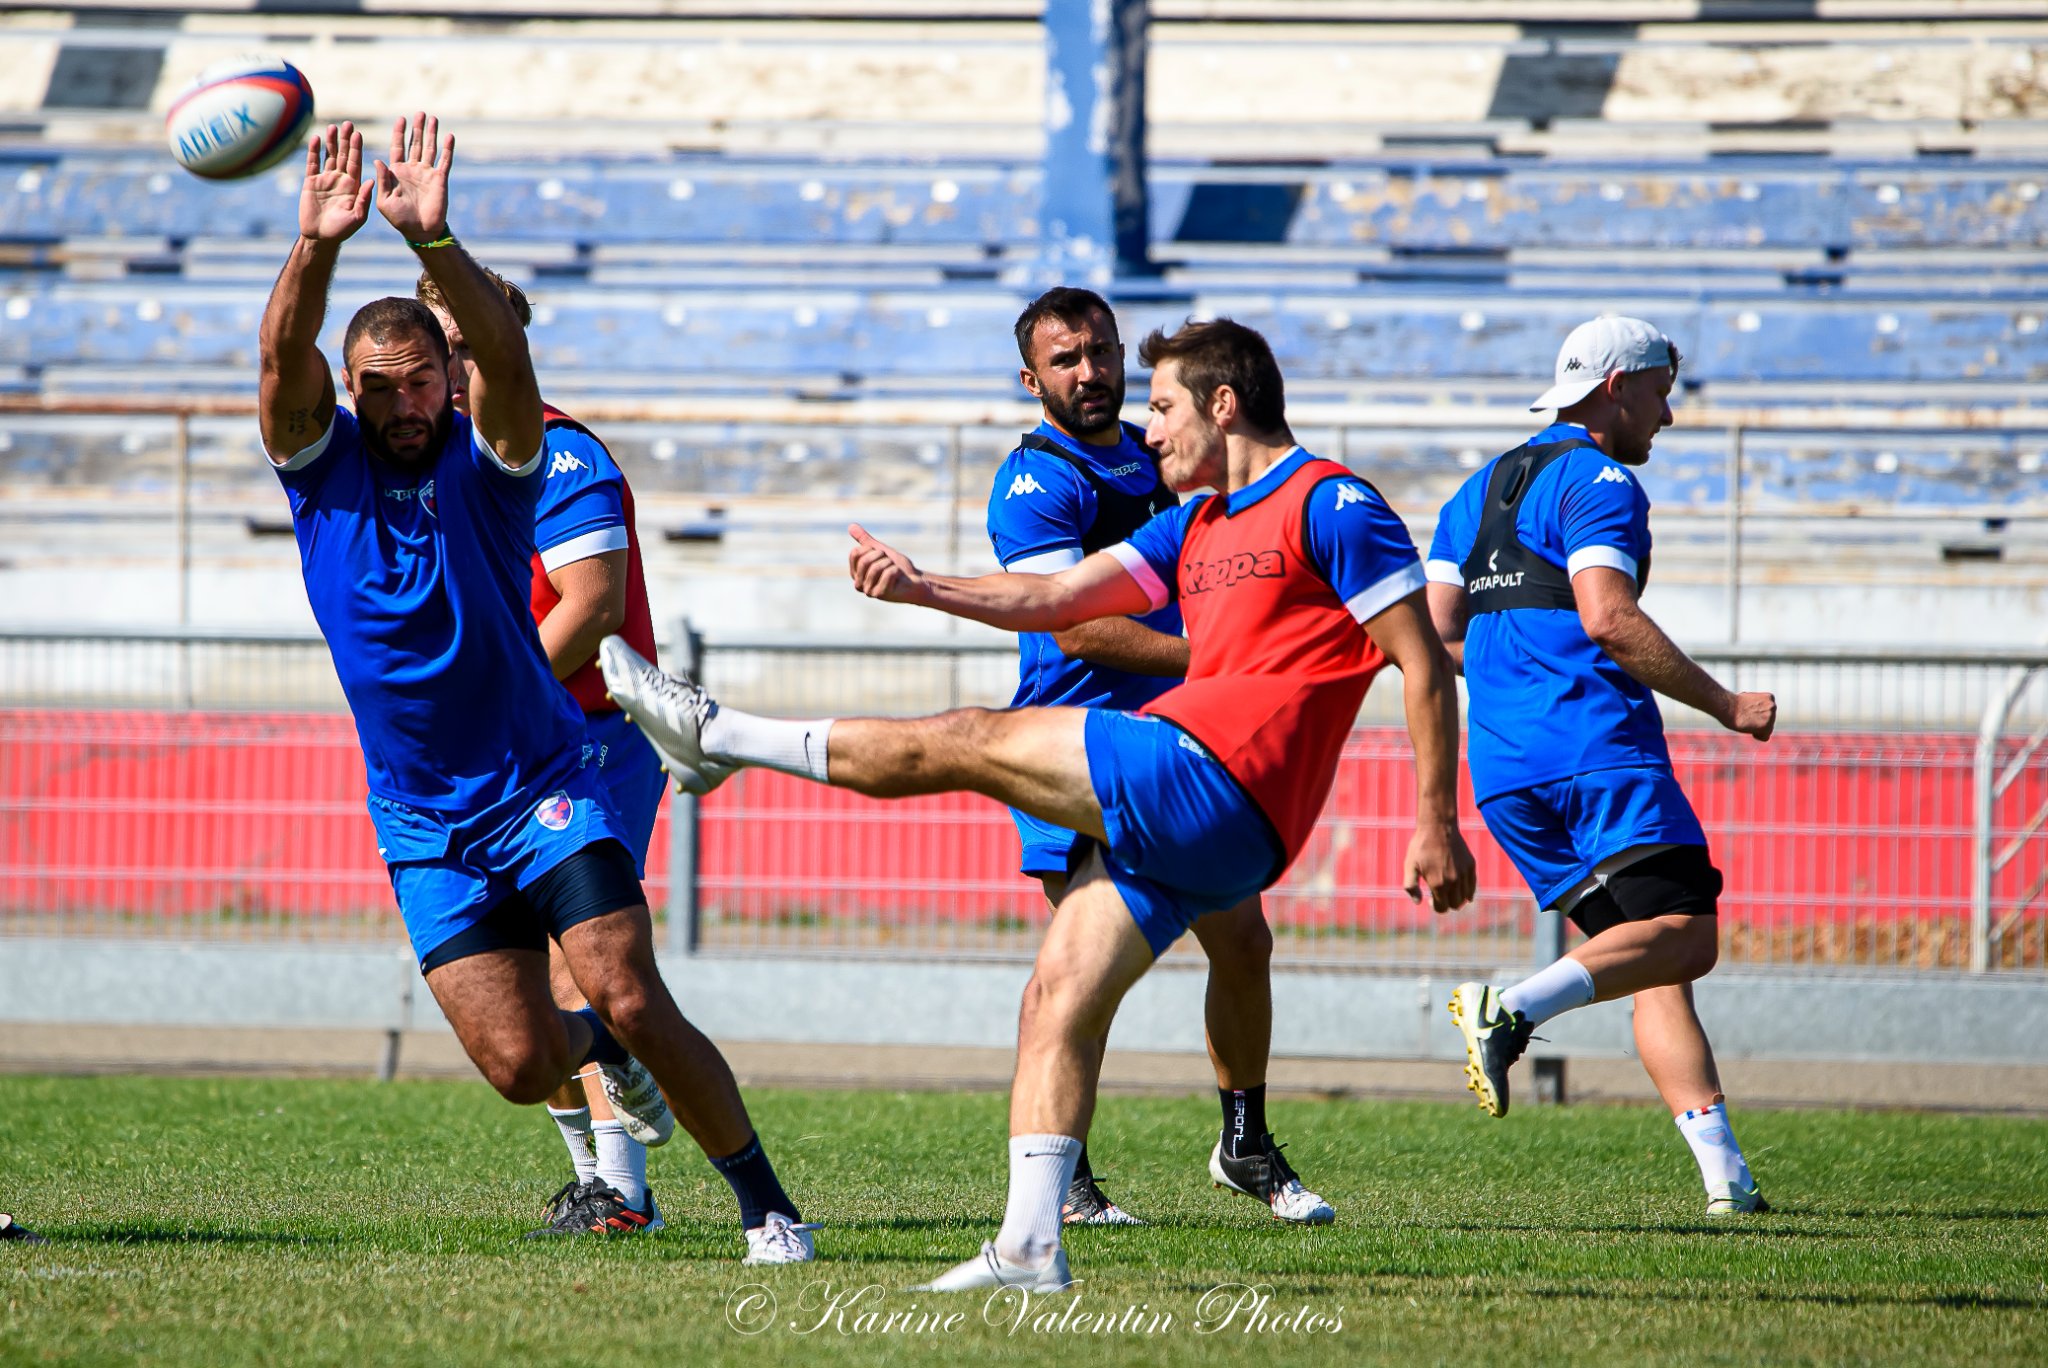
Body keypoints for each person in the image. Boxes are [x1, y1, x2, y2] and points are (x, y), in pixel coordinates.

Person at [602, 318, 1476, 1291]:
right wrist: (922, 588)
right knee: (1056, 995)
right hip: (1214, 824)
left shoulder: (1333, 503)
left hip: (1210, 770)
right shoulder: (1196, 524)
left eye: (1163, 406)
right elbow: (1055, 598)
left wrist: (1434, 821)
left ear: (1223, 406)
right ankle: (1028, 1247)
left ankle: (718, 736)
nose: (1149, 429)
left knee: (970, 737)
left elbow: (1421, 665)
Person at [259, 115, 811, 1263]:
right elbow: (279, 357)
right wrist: (315, 246)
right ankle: (602, 1059)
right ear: (349, 390)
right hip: (420, 819)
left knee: (628, 992)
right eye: (380, 388)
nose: (405, 406)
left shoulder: (497, 463)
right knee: (518, 1065)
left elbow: (509, 365)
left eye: (423, 382)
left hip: (537, 786)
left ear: (447, 383)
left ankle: (766, 1208)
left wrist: (434, 236)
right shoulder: (319, 473)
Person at [417, 265, 784, 1239]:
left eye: (470, 344)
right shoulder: (433, 461)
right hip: (491, 748)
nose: (453, 365)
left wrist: (482, 704)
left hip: (585, 736)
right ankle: (597, 1182)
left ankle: (628, 1193)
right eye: (442, 345)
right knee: (517, 983)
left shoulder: (561, 452)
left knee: (583, 971)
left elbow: (591, 608)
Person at [987, 287, 1332, 1227]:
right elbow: (1075, 626)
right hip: (1073, 744)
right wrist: (1227, 657)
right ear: (1031, 380)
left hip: (1181, 741)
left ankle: (1244, 1142)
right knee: (1078, 976)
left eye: (1101, 351)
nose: (1091, 372)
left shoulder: (1162, 455)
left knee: (1243, 942)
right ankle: (1065, 1182)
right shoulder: (1035, 483)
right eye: (1066, 360)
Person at [1424, 316, 1773, 1217]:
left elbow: (1439, 632)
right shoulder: (1599, 479)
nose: (1668, 415)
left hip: (1506, 769)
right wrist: (1726, 704)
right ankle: (1510, 1011)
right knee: (1688, 937)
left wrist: (1514, 677)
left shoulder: (1474, 490)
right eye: (1660, 393)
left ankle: (1727, 1181)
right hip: (1595, 749)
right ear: (1616, 387)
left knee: (1652, 959)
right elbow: (1608, 617)